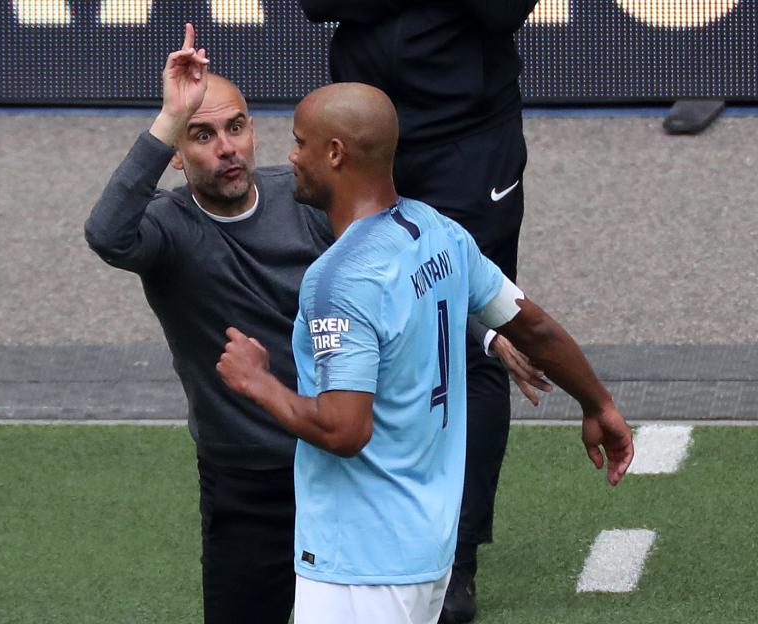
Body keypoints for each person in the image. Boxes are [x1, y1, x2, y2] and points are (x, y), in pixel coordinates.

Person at [86, 23, 547, 624]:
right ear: (177, 153)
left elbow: (393, 283)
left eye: (237, 127)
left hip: (335, 473)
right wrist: (169, 116)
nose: (227, 148)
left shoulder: (301, 201)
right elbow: (106, 233)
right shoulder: (167, 231)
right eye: (201, 136)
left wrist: (485, 332)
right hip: (245, 482)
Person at [216, 83, 633, 624]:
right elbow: (532, 326)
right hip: (427, 551)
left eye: (300, 143)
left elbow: (345, 430)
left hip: (360, 563)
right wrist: (597, 403)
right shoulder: (436, 232)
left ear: (336, 153)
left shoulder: (339, 281)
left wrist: (257, 382)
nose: (291, 157)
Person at [297, 2, 542, 619]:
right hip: (361, 138)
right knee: (363, 328)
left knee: (476, 339)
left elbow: (500, 9)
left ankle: (457, 555)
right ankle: (361, 530)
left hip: (470, 139)